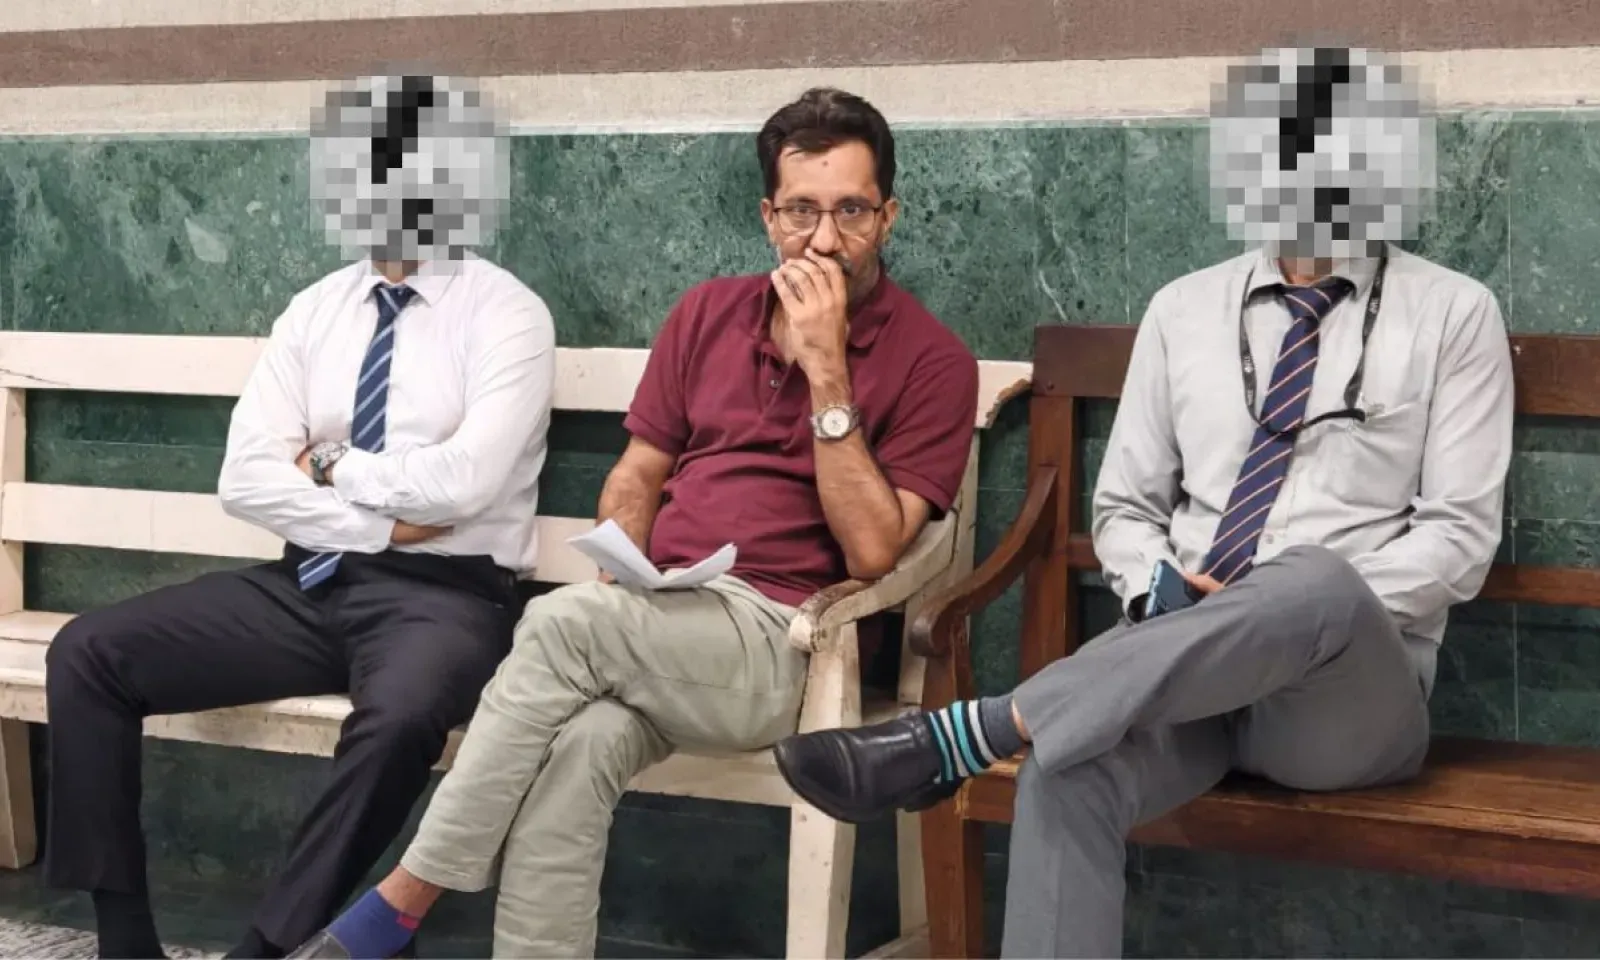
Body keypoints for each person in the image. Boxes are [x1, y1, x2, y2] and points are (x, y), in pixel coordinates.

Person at [772, 46, 1515, 958]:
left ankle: (975, 730)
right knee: (1066, 767)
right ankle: (1007, 733)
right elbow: (1124, 507)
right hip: (1180, 677)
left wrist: (1271, 604)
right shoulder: (1183, 311)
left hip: (1342, 700)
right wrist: (1161, 588)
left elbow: (1458, 540)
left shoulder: (1453, 315)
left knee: (1315, 579)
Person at [286, 86, 980, 959]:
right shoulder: (707, 314)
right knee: (578, 746)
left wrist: (827, 369)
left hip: (789, 643)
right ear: (768, 217)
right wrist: (623, 555)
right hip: (661, 614)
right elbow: (638, 473)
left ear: (888, 216)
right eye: (802, 211)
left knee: (562, 621)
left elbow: (876, 550)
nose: (825, 240)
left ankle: (400, 902)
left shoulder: (933, 361)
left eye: (852, 212)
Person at [42, 73, 554, 959]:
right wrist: (377, 524)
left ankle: (266, 948)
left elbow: (464, 485)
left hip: (445, 599)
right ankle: (124, 939)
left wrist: (331, 464)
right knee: (88, 653)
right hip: (311, 579)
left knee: (398, 722)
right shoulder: (315, 310)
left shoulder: (507, 314)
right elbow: (244, 478)